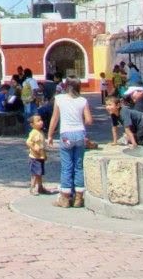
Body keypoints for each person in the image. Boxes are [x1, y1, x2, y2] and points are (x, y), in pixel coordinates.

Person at [47, 77, 92, 208]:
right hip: (80, 134)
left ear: (66, 86)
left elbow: (55, 118)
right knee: (78, 166)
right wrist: (81, 124)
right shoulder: (83, 100)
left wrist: (50, 135)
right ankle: (79, 198)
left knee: (67, 166)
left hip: (65, 134)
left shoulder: (59, 99)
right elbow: (89, 120)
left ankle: (65, 198)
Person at [26, 114, 52, 195]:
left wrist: (44, 154)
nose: (41, 122)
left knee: (40, 173)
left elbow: (42, 145)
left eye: (41, 120)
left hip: (40, 157)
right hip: (34, 157)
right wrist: (34, 148)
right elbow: (28, 142)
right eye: (38, 121)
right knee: (35, 173)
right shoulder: (33, 133)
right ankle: (32, 188)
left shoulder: (41, 132)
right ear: (32, 124)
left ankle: (40, 187)